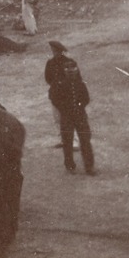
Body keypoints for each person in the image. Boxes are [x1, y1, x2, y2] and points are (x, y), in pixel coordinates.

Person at [45, 40, 95, 175]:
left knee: (85, 141)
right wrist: (65, 109)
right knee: (67, 142)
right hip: (67, 116)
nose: (71, 73)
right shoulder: (59, 84)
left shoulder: (80, 84)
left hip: (79, 116)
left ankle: (89, 167)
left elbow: (85, 99)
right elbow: (54, 98)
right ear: (65, 72)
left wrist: (78, 107)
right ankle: (70, 165)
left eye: (73, 71)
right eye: (68, 71)